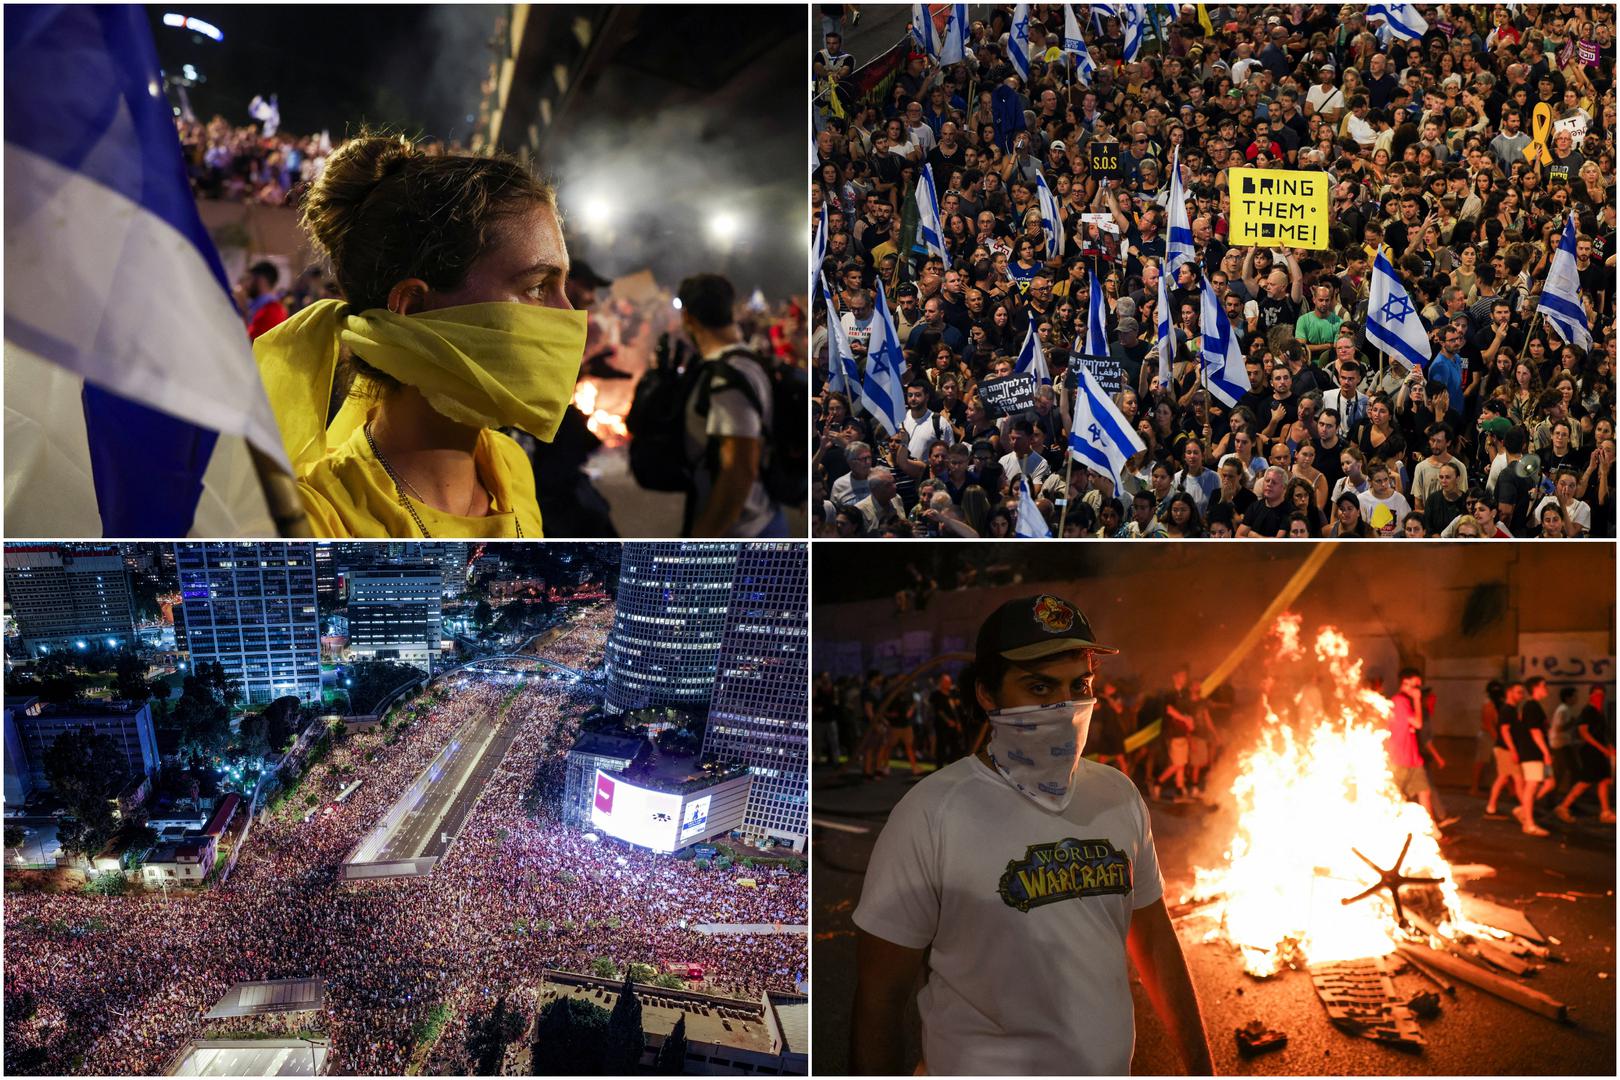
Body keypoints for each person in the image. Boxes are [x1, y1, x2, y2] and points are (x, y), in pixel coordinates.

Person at [850, 595, 1212, 1075]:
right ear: (987, 694)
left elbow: (1156, 943)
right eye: (1039, 687)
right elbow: (879, 998)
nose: (1064, 707)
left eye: (1078, 685)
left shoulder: (1119, 796)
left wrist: (1202, 1070)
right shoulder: (931, 814)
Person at [255, 132, 586, 537]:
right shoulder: (317, 522)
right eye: (537, 286)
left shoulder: (510, 464)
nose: (569, 315)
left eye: (563, 286)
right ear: (412, 308)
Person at [676, 272, 787, 537]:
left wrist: (702, 538)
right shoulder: (745, 361)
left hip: (743, 532)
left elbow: (739, 469)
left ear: (688, 317)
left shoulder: (728, 376)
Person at [1553, 685, 1616, 824]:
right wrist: (1601, 748)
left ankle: (1605, 812)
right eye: (1597, 694)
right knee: (1585, 782)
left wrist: (1609, 747)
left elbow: (1602, 733)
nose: (1600, 697)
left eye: (1602, 694)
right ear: (1590, 695)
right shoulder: (1588, 711)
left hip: (1599, 751)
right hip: (1590, 751)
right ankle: (1563, 806)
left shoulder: (1599, 712)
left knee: (1604, 780)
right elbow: (1583, 732)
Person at [1387, 668, 1438, 824]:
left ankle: (1432, 831)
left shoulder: (1404, 701)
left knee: (1425, 792)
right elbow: (1417, 723)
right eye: (1416, 684)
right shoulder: (1399, 701)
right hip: (1399, 758)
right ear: (1406, 683)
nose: (1419, 688)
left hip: (1413, 758)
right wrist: (1417, 699)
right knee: (1395, 797)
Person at [240, 260, 289, 340]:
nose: (245, 285)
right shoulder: (259, 306)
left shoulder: (272, 310)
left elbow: (249, 342)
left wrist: (243, 311)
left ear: (261, 280)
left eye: (249, 278)